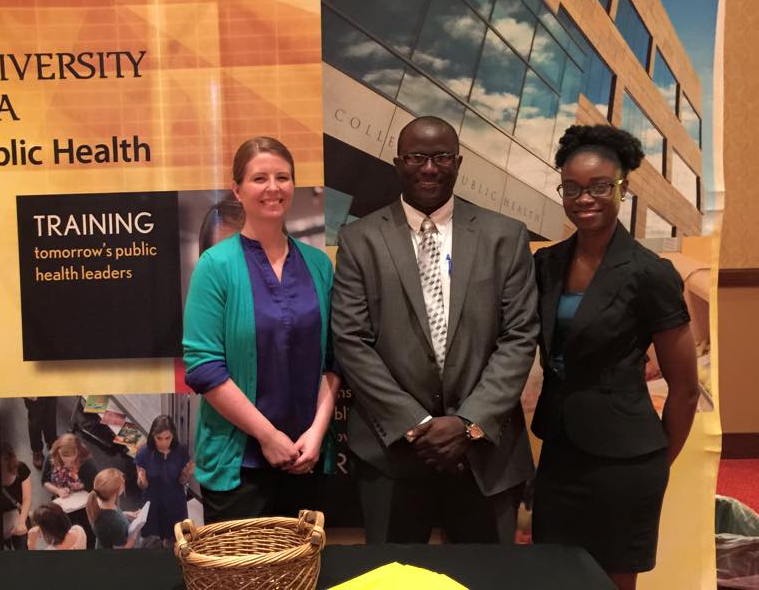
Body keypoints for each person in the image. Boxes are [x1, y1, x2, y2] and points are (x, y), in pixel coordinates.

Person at [331, 115, 539, 544]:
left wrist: (468, 424)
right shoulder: (359, 239)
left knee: (486, 580)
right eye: (417, 157)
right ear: (397, 162)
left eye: (442, 156)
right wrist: (417, 425)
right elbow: (352, 342)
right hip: (393, 454)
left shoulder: (506, 236)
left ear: (459, 162)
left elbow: (519, 338)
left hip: (486, 453)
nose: (430, 168)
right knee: (391, 579)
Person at [531, 125, 698, 590]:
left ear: (623, 188)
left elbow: (684, 390)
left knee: (613, 582)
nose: (584, 198)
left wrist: (658, 463)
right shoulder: (546, 264)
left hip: (626, 461)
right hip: (560, 452)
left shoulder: (650, 273)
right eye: (572, 188)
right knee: (555, 573)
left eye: (600, 186)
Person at [183, 136, 340, 522]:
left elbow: (333, 361)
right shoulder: (215, 266)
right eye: (259, 178)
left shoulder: (319, 266)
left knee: (301, 576)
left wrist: (317, 434)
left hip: (307, 458)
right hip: (240, 465)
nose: (273, 187)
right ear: (237, 189)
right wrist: (268, 438)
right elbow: (204, 368)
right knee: (240, 580)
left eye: (282, 177)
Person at [135, 415, 193, 543]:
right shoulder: (144, 453)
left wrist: (187, 474)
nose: (163, 442)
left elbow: (182, 481)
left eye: (168, 438)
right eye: (159, 438)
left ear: (173, 436)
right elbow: (142, 486)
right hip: (153, 504)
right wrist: (142, 480)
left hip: (175, 503)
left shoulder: (181, 450)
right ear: (153, 436)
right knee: (151, 542)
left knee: (180, 541)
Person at [86, 467, 137, 549]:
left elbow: (112, 517)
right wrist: (133, 538)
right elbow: (121, 549)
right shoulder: (115, 523)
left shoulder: (100, 503)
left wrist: (125, 514)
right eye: (123, 484)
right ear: (117, 491)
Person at [0, 443, 32, 550]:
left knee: (23, 546)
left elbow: (26, 499)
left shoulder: (20, 468)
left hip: (18, 513)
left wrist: (22, 522)